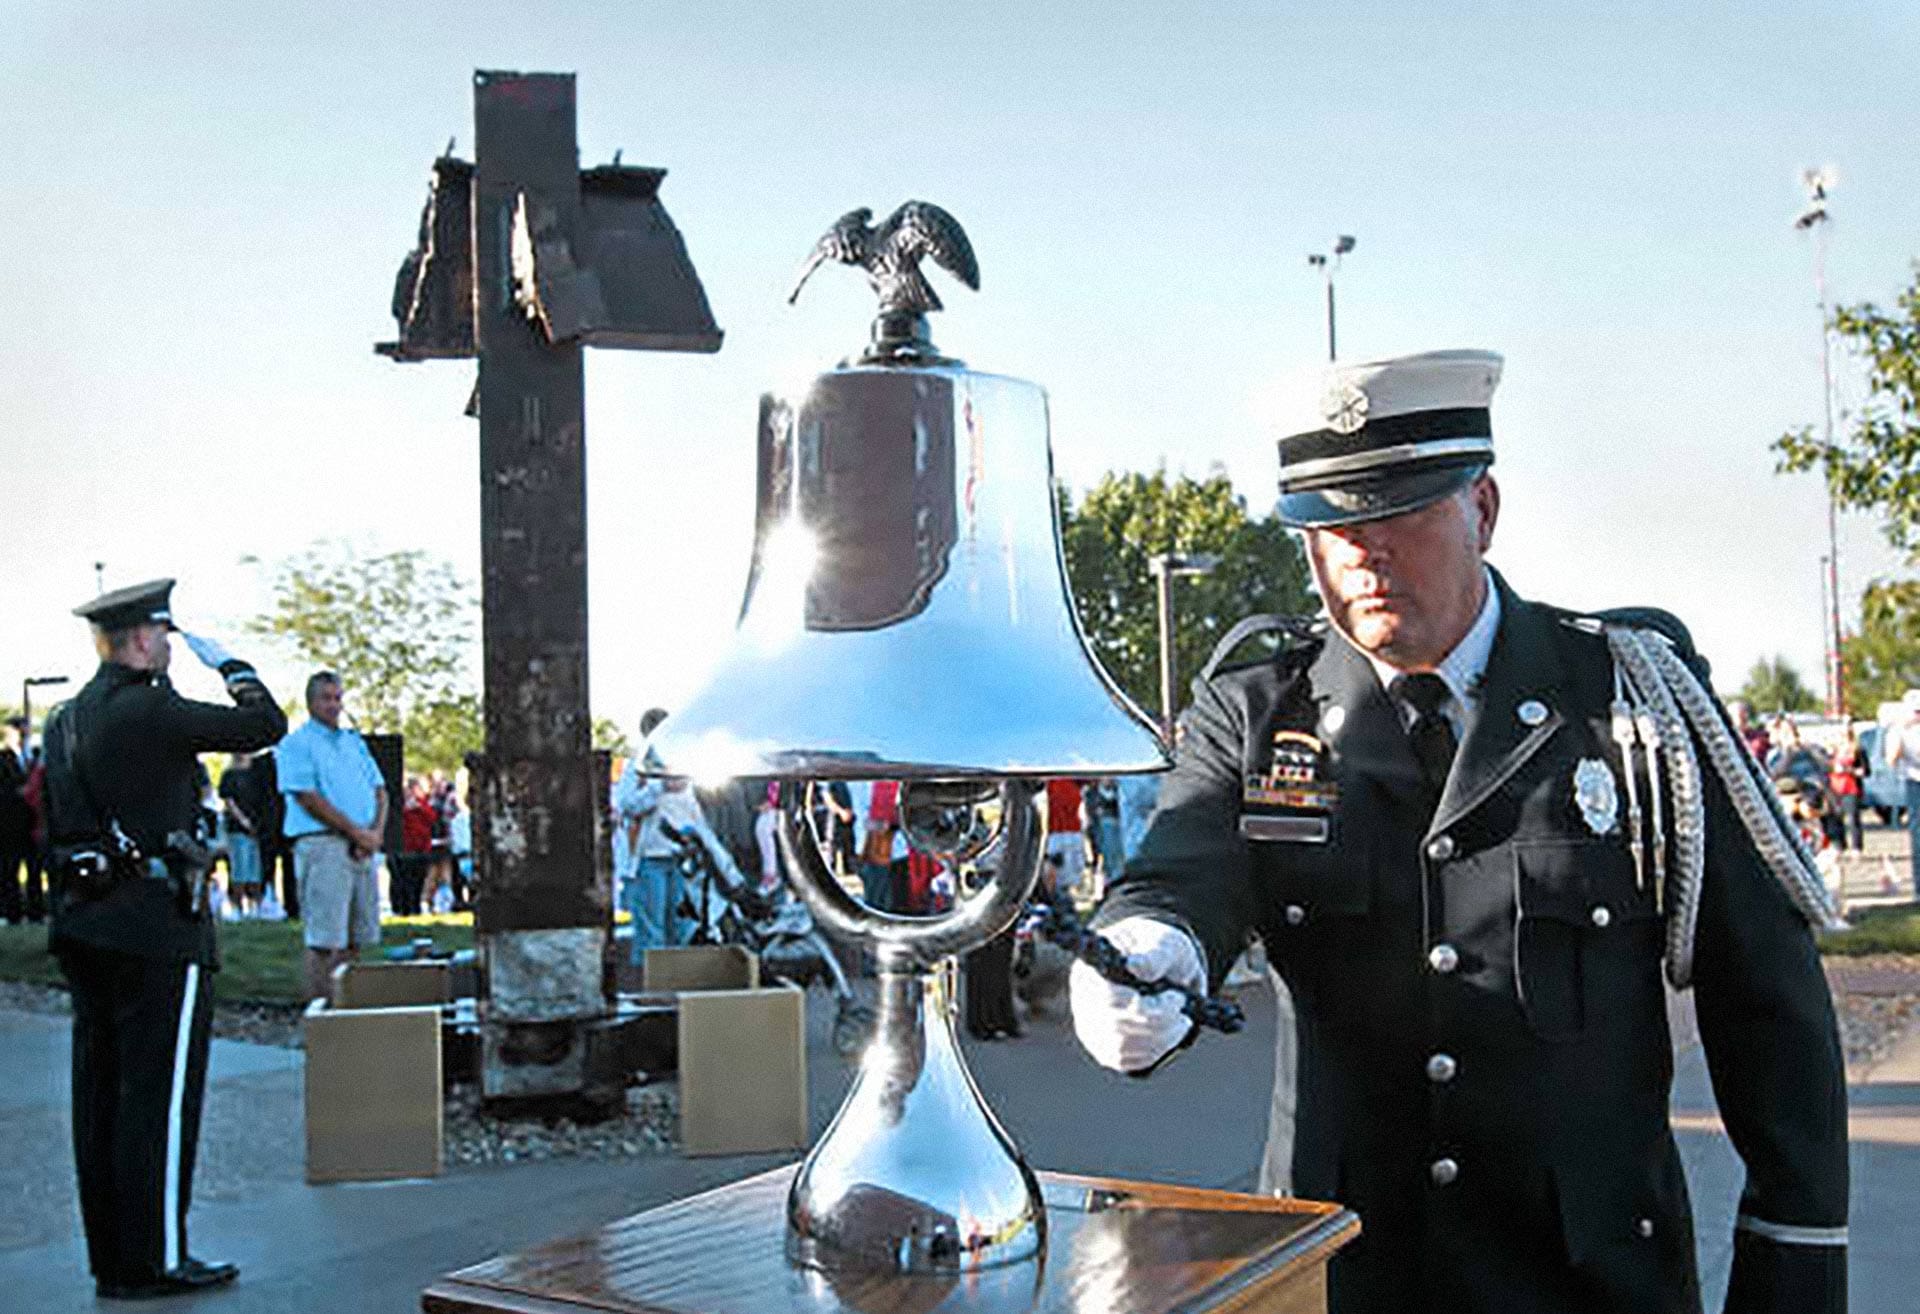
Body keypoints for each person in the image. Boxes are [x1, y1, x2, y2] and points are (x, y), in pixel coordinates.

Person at [1070, 350, 1847, 1314]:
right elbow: (1187, 862)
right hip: (1338, 1273)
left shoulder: (1625, 703)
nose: (1362, 550)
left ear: (1482, 507)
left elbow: (1766, 998)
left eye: (1399, 511)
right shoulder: (1260, 714)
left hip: (1588, 1279)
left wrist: (1794, 1260)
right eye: (1331, 524)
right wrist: (1152, 940)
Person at [43, 578, 285, 1299]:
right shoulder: (153, 709)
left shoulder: (65, 718)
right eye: (166, 637)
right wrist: (234, 668)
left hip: (85, 919)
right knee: (161, 1096)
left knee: (101, 1097)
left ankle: (115, 1258)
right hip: (156, 924)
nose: (170, 649)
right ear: (143, 639)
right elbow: (262, 725)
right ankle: (159, 1257)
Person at [277, 672, 388, 1002]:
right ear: (311, 702)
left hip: (363, 846)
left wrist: (374, 834)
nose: (334, 705)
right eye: (326, 698)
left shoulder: (354, 742)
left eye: (338, 697)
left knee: (356, 939)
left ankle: (347, 1011)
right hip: (324, 844)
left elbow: (381, 790)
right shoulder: (297, 744)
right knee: (326, 941)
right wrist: (354, 832)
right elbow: (307, 797)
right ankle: (321, 1016)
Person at [216, 753, 266, 917]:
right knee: (239, 867)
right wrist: (243, 820)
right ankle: (237, 906)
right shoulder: (229, 775)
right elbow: (228, 801)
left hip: (257, 826)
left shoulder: (257, 773)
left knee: (254, 869)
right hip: (237, 828)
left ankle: (255, 906)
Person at [1, 716, 36, 923]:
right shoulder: (3, 758)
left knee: (34, 868)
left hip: (31, 823)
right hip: (10, 824)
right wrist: (19, 793)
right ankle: (11, 912)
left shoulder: (34, 756)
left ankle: (35, 911)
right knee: (9, 869)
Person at [1827, 725, 1867, 852]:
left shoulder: (1857, 750)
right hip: (1834, 787)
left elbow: (1865, 771)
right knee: (1835, 817)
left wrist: (1849, 770)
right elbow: (1825, 767)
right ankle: (1839, 845)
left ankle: (1856, 846)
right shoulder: (1831, 751)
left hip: (1851, 788)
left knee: (1852, 817)